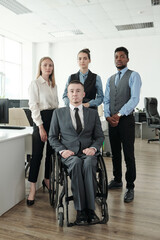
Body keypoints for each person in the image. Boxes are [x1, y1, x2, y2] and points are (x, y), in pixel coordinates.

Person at [49, 80, 104, 225]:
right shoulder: (58, 113)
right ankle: (80, 211)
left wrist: (93, 148)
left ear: (83, 94)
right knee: (76, 163)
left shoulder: (92, 113)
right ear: (67, 94)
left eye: (78, 91)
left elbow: (99, 136)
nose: (75, 94)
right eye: (71, 91)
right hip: (69, 155)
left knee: (89, 163)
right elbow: (52, 137)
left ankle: (90, 210)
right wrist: (62, 151)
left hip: (88, 153)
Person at [103, 47, 142, 203]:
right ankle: (117, 179)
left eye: (122, 56)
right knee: (115, 153)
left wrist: (118, 115)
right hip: (112, 121)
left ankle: (130, 186)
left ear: (127, 59)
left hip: (125, 121)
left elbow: (134, 99)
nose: (118, 59)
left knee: (128, 154)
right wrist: (107, 116)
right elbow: (106, 100)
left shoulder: (134, 76)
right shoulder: (110, 79)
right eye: (116, 57)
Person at [27, 57, 59, 206]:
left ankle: (47, 179)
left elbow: (56, 106)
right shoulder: (35, 84)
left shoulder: (53, 84)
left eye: (50, 65)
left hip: (53, 119)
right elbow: (34, 106)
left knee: (51, 154)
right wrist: (40, 127)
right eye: (45, 65)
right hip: (40, 120)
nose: (48, 67)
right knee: (37, 155)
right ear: (40, 67)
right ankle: (32, 188)